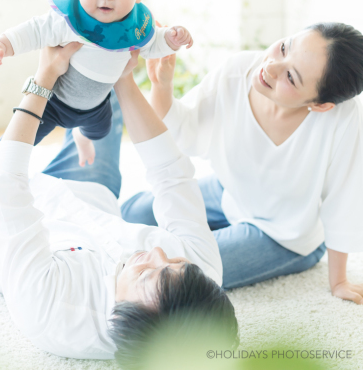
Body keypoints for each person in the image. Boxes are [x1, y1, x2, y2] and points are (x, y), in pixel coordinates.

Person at [0, 43, 238, 362]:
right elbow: (172, 175)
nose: (159, 253)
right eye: (176, 263)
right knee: (102, 66)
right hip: (89, 188)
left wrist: (45, 77)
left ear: (124, 318)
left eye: (148, 274)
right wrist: (123, 79)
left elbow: (3, 186)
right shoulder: (199, 276)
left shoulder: (52, 312)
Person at [121, 23, 363, 305]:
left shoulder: (342, 120)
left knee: (186, 268)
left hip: (284, 235)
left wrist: (339, 281)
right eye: (285, 47)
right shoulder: (238, 71)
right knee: (133, 212)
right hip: (230, 192)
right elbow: (183, 132)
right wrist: (162, 86)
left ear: (319, 104)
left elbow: (345, 200)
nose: (271, 67)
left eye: (291, 77)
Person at [0, 0, 193, 167]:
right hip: (53, 101)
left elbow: (152, 45)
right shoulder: (69, 20)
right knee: (24, 138)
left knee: (101, 131)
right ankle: (0, 158)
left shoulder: (134, 27)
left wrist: (171, 38)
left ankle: (81, 136)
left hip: (97, 108)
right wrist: (3, 45)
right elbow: (34, 31)